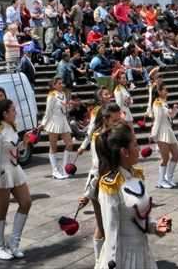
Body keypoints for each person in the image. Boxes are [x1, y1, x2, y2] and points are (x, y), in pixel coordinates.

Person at [95, 123, 171, 269]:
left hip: (142, 251)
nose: (139, 149)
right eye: (135, 145)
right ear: (125, 151)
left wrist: (155, 227)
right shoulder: (110, 185)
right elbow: (111, 231)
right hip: (123, 256)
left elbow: (140, 215)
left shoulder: (136, 175)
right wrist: (112, 263)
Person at [78, 103, 123, 267]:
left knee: (117, 225)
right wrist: (87, 193)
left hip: (117, 182)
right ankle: (98, 262)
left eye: (120, 118)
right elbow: (97, 166)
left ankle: (113, 259)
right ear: (106, 118)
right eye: (115, 119)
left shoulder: (117, 133)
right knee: (103, 225)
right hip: (101, 183)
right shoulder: (98, 137)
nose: (118, 122)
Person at [0, 99, 32, 260]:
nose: (16, 112)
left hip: (14, 169)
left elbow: (14, 150)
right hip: (1, 172)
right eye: (13, 110)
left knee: (26, 202)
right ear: (5, 113)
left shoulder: (12, 126)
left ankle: (14, 243)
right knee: (2, 210)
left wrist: (24, 143)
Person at [41, 77, 74, 179]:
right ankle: (55, 170)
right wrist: (43, 124)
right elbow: (48, 111)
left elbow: (64, 109)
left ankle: (64, 168)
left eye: (61, 83)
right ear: (54, 85)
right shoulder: (51, 96)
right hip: (54, 122)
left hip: (63, 121)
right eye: (59, 83)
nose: (61, 85)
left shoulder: (63, 94)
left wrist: (68, 106)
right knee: (53, 146)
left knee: (69, 144)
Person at [151, 83, 178, 188]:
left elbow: (170, 116)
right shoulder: (157, 103)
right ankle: (161, 180)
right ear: (159, 91)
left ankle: (169, 177)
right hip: (161, 132)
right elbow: (158, 120)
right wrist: (154, 134)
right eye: (164, 90)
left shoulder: (164, 102)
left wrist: (174, 110)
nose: (167, 92)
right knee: (165, 158)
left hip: (168, 130)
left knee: (176, 155)